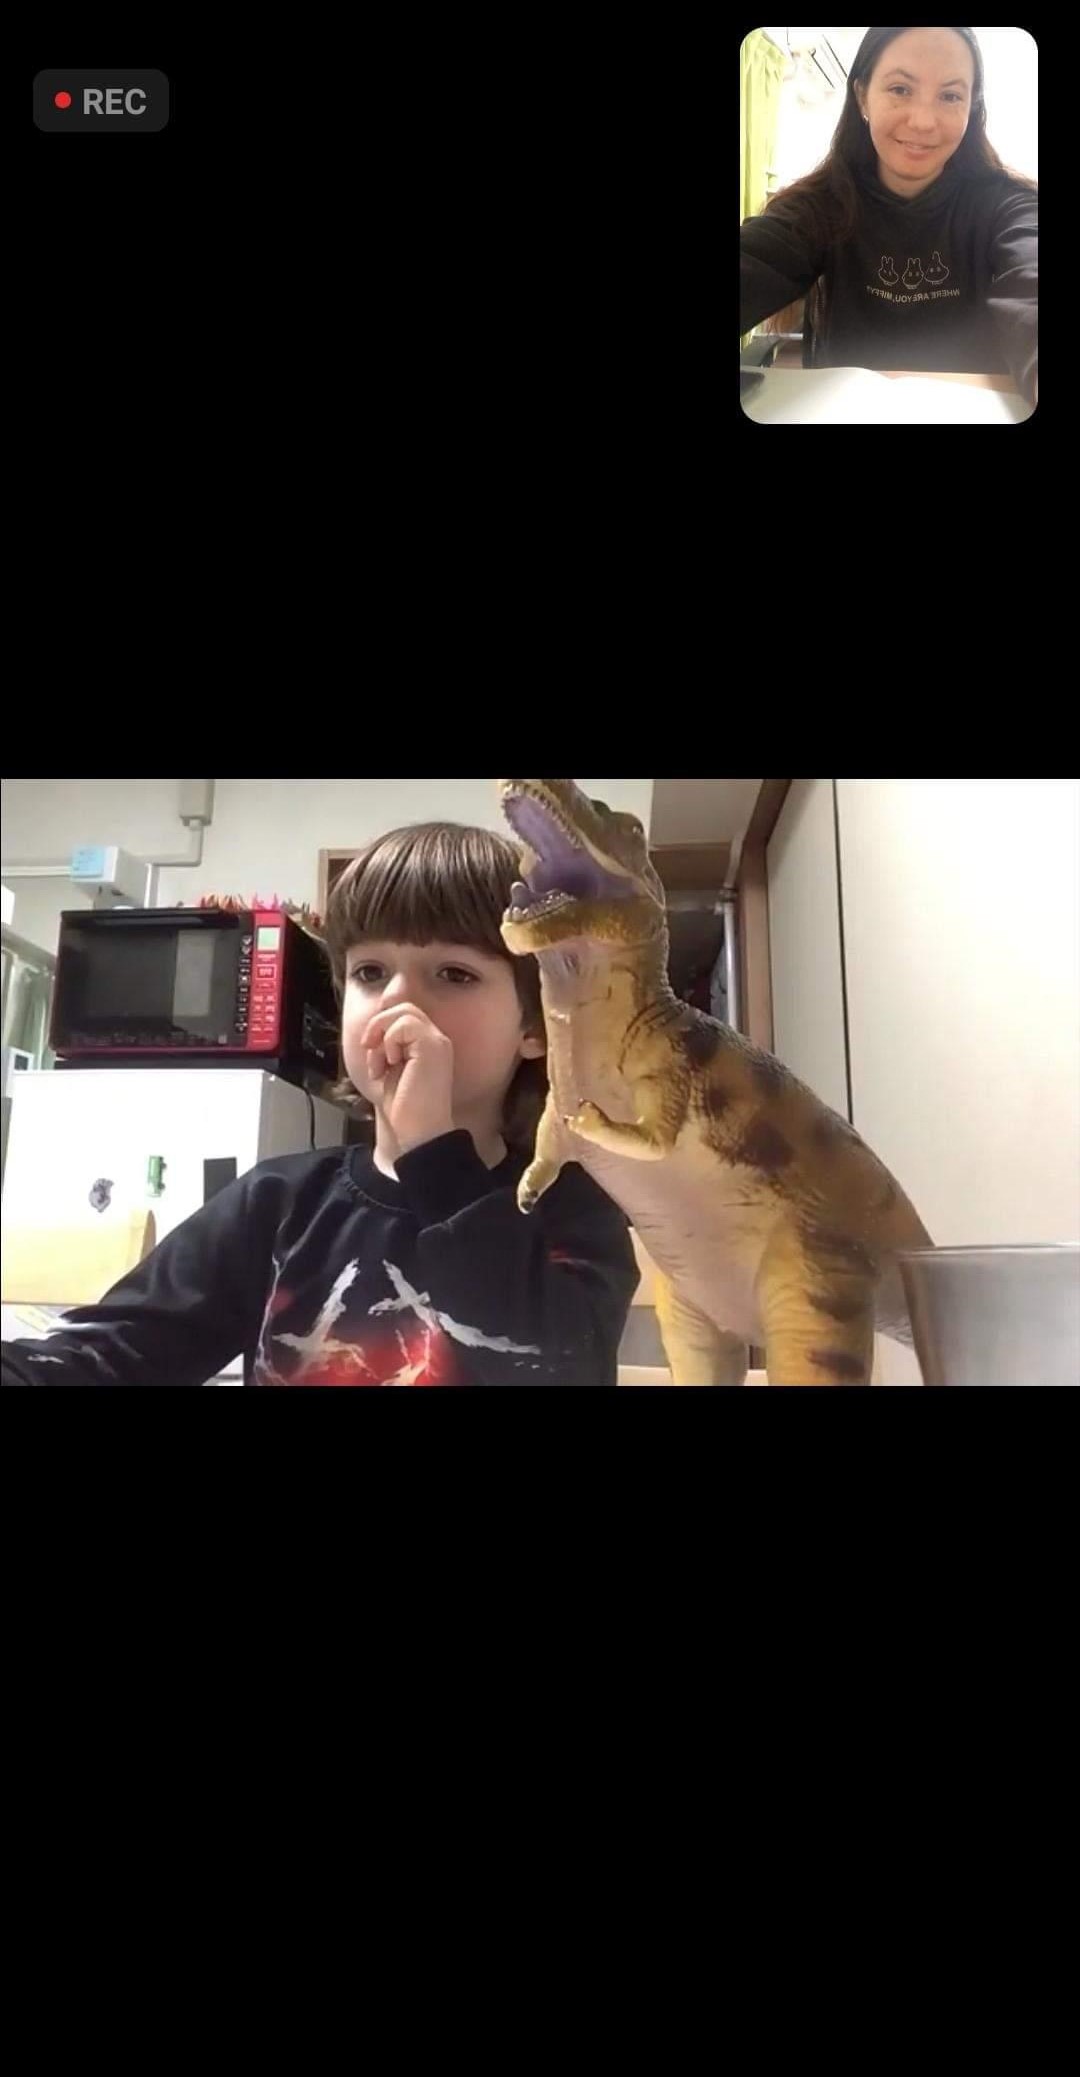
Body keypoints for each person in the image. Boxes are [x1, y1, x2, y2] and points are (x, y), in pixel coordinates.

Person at [1, 823, 637, 1386]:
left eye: (454, 974)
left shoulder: (571, 1207)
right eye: (369, 973)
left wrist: (434, 1154)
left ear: (536, 1025)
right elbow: (111, 1356)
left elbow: (560, 1367)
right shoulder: (277, 1205)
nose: (396, 1000)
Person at [740, 27, 1037, 404]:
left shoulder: (1006, 205)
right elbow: (755, 259)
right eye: (900, 89)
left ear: (971, 108)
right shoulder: (820, 206)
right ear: (862, 95)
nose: (923, 121)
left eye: (950, 96)